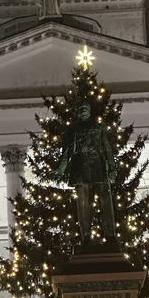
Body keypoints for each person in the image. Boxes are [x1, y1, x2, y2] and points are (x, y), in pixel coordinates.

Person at [54, 101, 117, 244]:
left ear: (89, 110)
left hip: (98, 168)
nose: (83, 110)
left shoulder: (99, 128)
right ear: (77, 112)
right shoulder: (72, 130)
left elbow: (107, 148)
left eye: (85, 108)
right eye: (80, 108)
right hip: (80, 169)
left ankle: (110, 234)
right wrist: (61, 168)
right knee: (83, 204)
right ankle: (86, 236)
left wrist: (112, 167)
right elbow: (67, 151)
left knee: (105, 202)